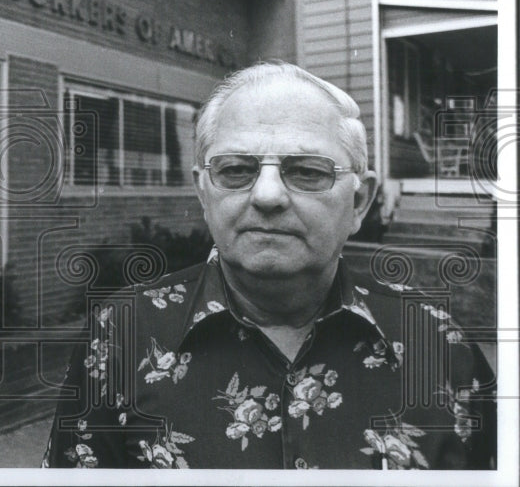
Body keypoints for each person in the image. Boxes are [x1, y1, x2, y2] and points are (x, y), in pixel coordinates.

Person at [43, 61, 495, 469]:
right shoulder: (121, 333)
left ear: (359, 202)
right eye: (237, 169)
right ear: (204, 194)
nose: (267, 195)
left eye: (308, 171)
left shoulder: (439, 345)